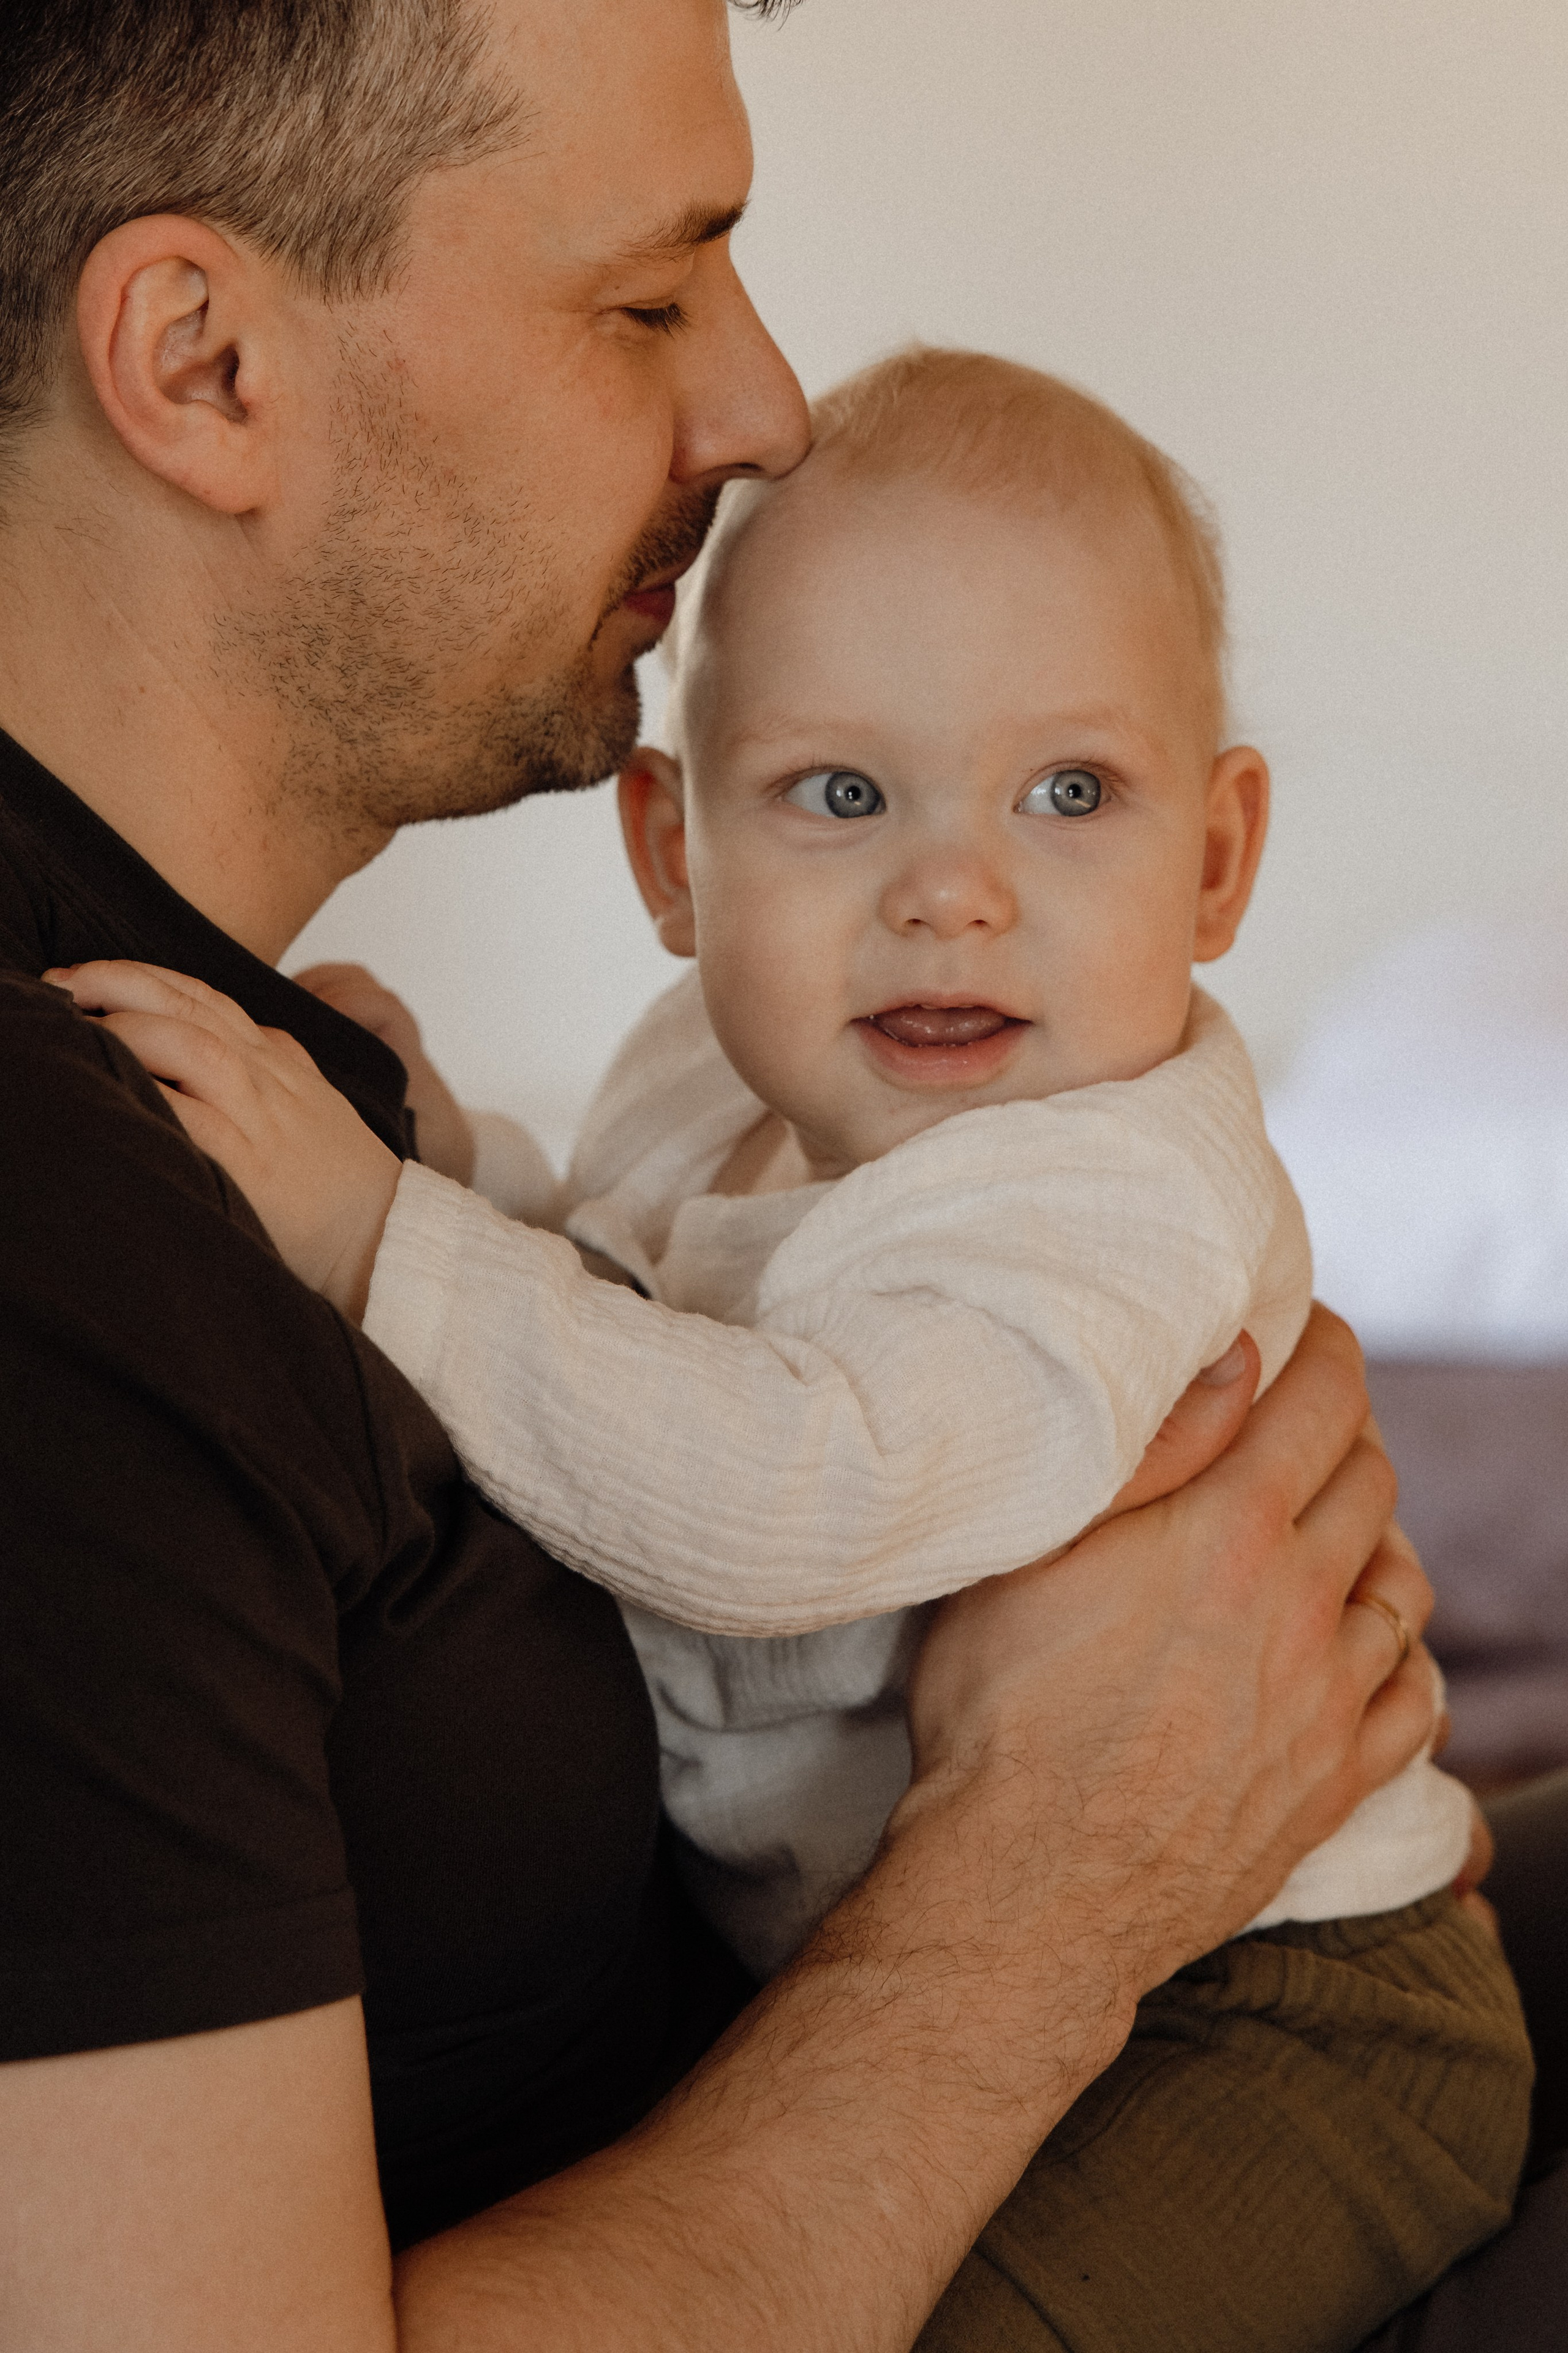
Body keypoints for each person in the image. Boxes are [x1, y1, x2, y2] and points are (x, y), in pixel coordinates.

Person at [0, 2, 1558, 2347]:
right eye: (648, 297)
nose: (765, 407)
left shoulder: (246, 1052)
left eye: (1071, 796)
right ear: (205, 363)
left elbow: (599, 1295)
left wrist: (424, 1166)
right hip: (1046, 2050)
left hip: (1249, 1949)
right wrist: (1037, 1893)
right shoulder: (71, 1224)